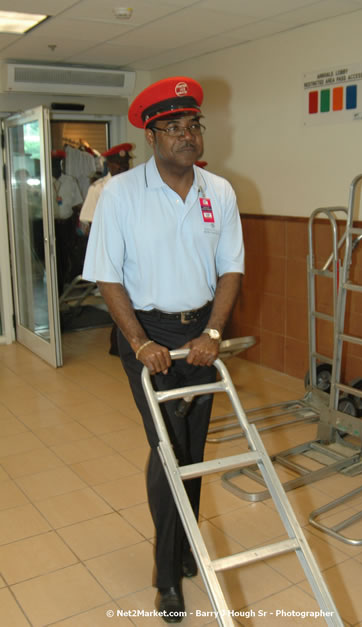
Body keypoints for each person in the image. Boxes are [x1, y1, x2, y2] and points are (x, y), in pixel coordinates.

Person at [83, 76, 244, 623]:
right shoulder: (121, 194)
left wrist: (215, 334)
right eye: (172, 127)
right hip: (148, 336)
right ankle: (167, 571)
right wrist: (140, 341)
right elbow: (106, 278)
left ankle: (185, 545)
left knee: (193, 448)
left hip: (201, 334)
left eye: (192, 125)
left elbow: (230, 270)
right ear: (152, 136)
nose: (186, 135)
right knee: (166, 451)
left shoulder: (218, 191)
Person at [79, 143, 133, 354]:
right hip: (111, 250)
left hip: (133, 250)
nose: (123, 167)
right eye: (118, 163)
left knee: (132, 297)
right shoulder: (98, 188)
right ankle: (118, 344)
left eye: (125, 162)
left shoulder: (138, 184)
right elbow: (92, 223)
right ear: (109, 164)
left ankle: (125, 343)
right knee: (118, 298)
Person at [51, 150, 83, 293]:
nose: (56, 166)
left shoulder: (70, 181)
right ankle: (54, 289)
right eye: (53, 163)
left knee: (65, 258)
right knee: (52, 258)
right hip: (50, 226)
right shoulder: (44, 182)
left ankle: (63, 287)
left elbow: (77, 205)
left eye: (58, 162)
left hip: (66, 225)